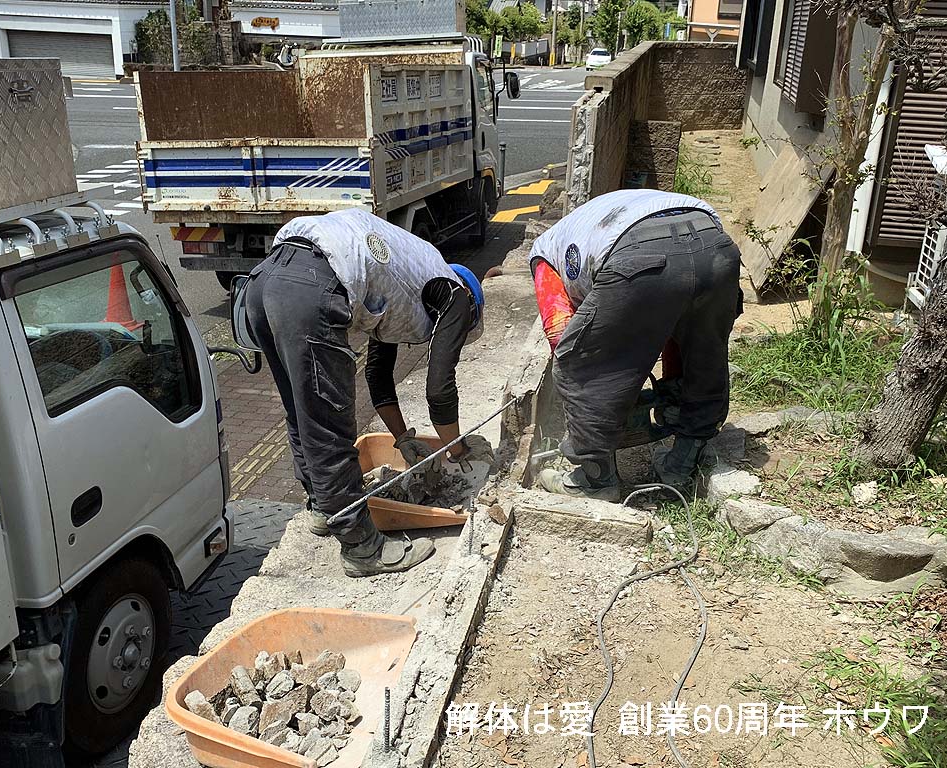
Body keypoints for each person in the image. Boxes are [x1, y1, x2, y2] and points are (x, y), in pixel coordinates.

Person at [244, 209, 491, 577]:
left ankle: (323, 508)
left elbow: (378, 377)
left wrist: (403, 438)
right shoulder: (454, 294)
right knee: (328, 421)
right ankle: (362, 547)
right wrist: (458, 450)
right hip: (315, 279)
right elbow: (439, 389)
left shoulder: (403, 282)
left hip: (267, 279)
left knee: (302, 410)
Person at [528, 189, 743, 500]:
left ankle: (595, 479)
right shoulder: (590, 224)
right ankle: (682, 463)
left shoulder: (544, 257)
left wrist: (604, 402)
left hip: (638, 253)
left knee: (576, 361)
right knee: (704, 352)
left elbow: (561, 333)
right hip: (715, 245)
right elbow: (674, 325)